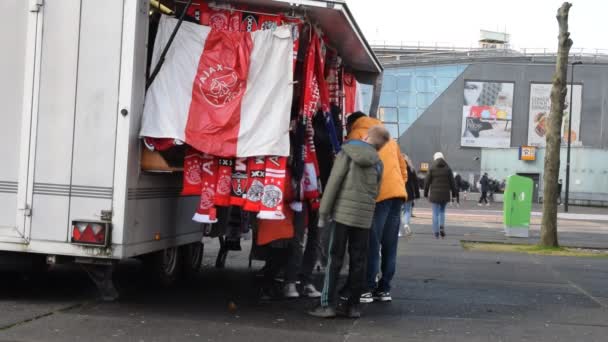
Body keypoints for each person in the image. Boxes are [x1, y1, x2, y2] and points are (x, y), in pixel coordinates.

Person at [308, 125, 389, 319]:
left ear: (367, 136)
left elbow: (334, 182)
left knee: (334, 259)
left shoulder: (347, 152)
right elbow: (376, 193)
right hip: (363, 219)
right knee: (358, 261)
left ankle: (327, 304)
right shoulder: (378, 163)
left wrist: (323, 212)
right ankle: (353, 306)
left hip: (342, 216)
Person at [346, 112, 408, 304]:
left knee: (370, 243)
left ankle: (366, 288)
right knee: (390, 244)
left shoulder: (356, 136)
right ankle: (384, 288)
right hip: (397, 194)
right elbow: (403, 169)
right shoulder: (389, 138)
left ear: (351, 124)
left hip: (375, 195)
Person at [424, 152, 457, 239]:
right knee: (442, 212)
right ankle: (441, 226)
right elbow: (453, 183)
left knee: (435, 214)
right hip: (445, 195)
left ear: (435, 158)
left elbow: (427, 182)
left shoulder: (432, 168)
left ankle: (436, 232)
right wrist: (454, 195)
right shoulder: (448, 168)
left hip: (435, 195)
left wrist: (425, 193)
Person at [401, 154, 420, 236]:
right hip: (409, 192)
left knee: (397, 212)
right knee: (407, 210)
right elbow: (416, 183)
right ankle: (406, 224)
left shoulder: (398, 167)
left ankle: (398, 231)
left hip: (399, 191)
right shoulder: (412, 169)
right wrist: (417, 194)